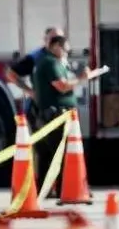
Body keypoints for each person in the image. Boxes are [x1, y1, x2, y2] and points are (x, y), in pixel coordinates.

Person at [32, 33, 89, 195]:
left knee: (50, 153)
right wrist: (82, 78)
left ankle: (48, 188)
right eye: (65, 50)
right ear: (56, 46)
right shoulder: (50, 62)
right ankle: (62, 188)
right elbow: (62, 86)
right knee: (59, 152)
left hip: (55, 114)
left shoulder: (54, 62)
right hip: (54, 114)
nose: (66, 53)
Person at [6, 26, 63, 127]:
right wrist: (30, 92)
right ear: (45, 40)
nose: (57, 43)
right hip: (40, 112)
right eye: (53, 39)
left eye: (60, 39)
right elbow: (10, 73)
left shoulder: (62, 57)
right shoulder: (36, 57)